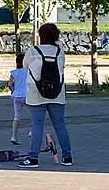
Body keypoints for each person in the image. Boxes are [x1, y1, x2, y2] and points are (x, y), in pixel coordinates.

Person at [19, 23, 73, 168]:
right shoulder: (60, 52)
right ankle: (67, 157)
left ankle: (33, 158)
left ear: (40, 35)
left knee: (37, 126)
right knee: (60, 125)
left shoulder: (32, 51)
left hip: (36, 93)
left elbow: (25, 66)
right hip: (57, 94)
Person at [8, 52, 29, 145]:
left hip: (16, 96)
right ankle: (32, 131)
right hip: (27, 95)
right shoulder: (28, 71)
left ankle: (14, 136)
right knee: (34, 114)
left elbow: (9, 84)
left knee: (17, 116)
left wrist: (13, 90)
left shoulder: (14, 72)